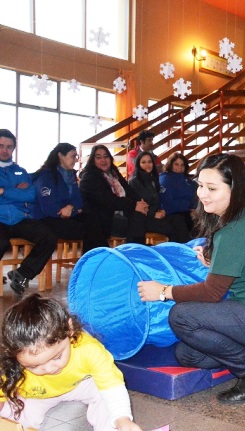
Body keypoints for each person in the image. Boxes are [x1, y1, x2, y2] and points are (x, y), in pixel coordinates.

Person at [137, 154, 245, 404]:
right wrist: (216, 261)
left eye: (212, 188)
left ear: (234, 188)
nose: (202, 194)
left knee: (181, 317)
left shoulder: (236, 228)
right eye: (200, 185)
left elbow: (212, 293)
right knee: (188, 354)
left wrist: (163, 291)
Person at [0, 294, 142, 431]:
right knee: (14, 416)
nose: (49, 368)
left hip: (82, 383)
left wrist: (122, 419)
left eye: (56, 357)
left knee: (106, 401)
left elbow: (112, 386)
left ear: (69, 329)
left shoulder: (88, 349)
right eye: (34, 366)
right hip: (36, 395)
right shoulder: (11, 366)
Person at [0, 129, 57, 295]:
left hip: (19, 218)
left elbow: (31, 195)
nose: (5, 150)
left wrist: (4, 191)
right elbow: (23, 195)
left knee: (49, 236)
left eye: (9, 147)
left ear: (14, 149)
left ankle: (22, 274)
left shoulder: (20, 171)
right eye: (1, 146)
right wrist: (16, 191)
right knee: (1, 242)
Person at [31, 143, 107, 252]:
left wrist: (71, 207)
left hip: (67, 215)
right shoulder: (46, 176)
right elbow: (49, 207)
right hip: (48, 220)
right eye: (73, 156)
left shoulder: (70, 175)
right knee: (92, 229)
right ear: (61, 156)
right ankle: (97, 261)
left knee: (94, 219)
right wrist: (72, 209)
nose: (76, 160)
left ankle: (96, 261)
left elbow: (78, 200)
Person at [79, 145, 149, 243]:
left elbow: (129, 190)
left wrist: (140, 202)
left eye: (106, 156)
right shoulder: (89, 177)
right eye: (98, 157)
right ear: (93, 160)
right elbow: (107, 200)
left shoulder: (113, 173)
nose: (103, 160)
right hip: (101, 220)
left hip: (119, 214)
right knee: (137, 219)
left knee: (140, 216)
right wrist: (134, 205)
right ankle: (135, 251)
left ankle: (135, 250)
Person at [128, 151, 190, 243]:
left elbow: (156, 200)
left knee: (178, 219)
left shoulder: (153, 179)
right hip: (143, 219)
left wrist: (160, 210)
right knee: (172, 229)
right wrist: (153, 214)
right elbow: (138, 206)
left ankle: (185, 249)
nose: (147, 165)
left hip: (155, 215)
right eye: (143, 162)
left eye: (149, 162)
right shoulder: (134, 182)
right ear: (138, 164)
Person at [159, 152, 197, 235]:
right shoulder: (165, 179)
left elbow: (195, 197)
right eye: (176, 164)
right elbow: (167, 202)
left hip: (189, 212)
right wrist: (188, 208)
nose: (179, 167)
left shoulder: (188, 181)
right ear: (170, 165)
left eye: (182, 165)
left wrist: (195, 209)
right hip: (172, 214)